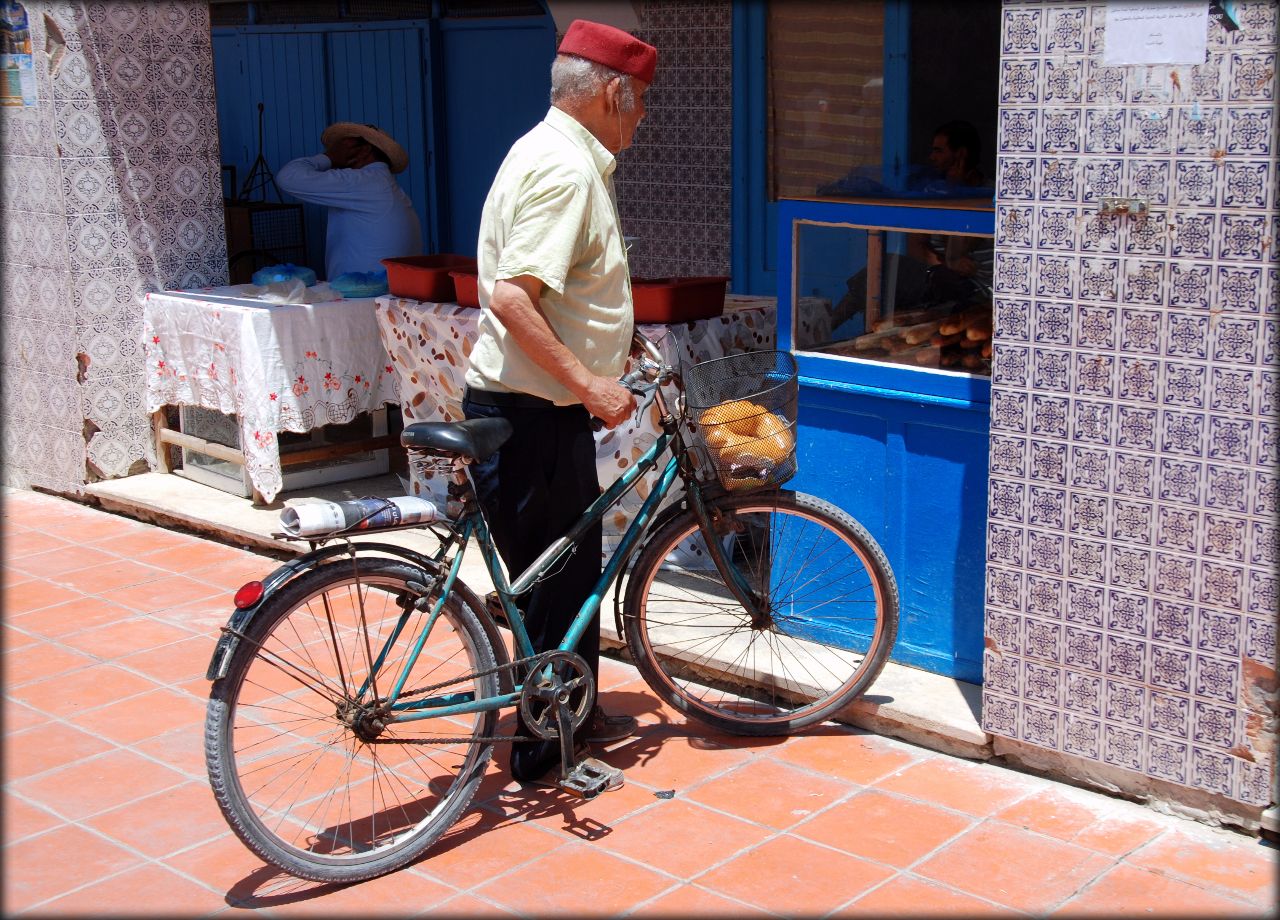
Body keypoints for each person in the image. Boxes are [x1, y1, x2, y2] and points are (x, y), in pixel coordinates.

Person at [461, 19, 656, 787]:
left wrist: (617, 345)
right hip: (533, 413)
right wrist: (589, 382)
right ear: (611, 92)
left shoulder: (549, 152)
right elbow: (514, 297)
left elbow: (561, 287)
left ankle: (568, 717)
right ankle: (545, 752)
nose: (641, 118)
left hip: (536, 408)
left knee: (566, 575)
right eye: (638, 103)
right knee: (551, 585)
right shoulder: (566, 170)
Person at [276, 122, 422, 280]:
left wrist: (328, 158)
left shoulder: (366, 182)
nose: (334, 150)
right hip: (378, 292)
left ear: (364, 150)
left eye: (344, 146)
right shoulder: (381, 183)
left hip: (366, 296)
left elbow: (288, 178)